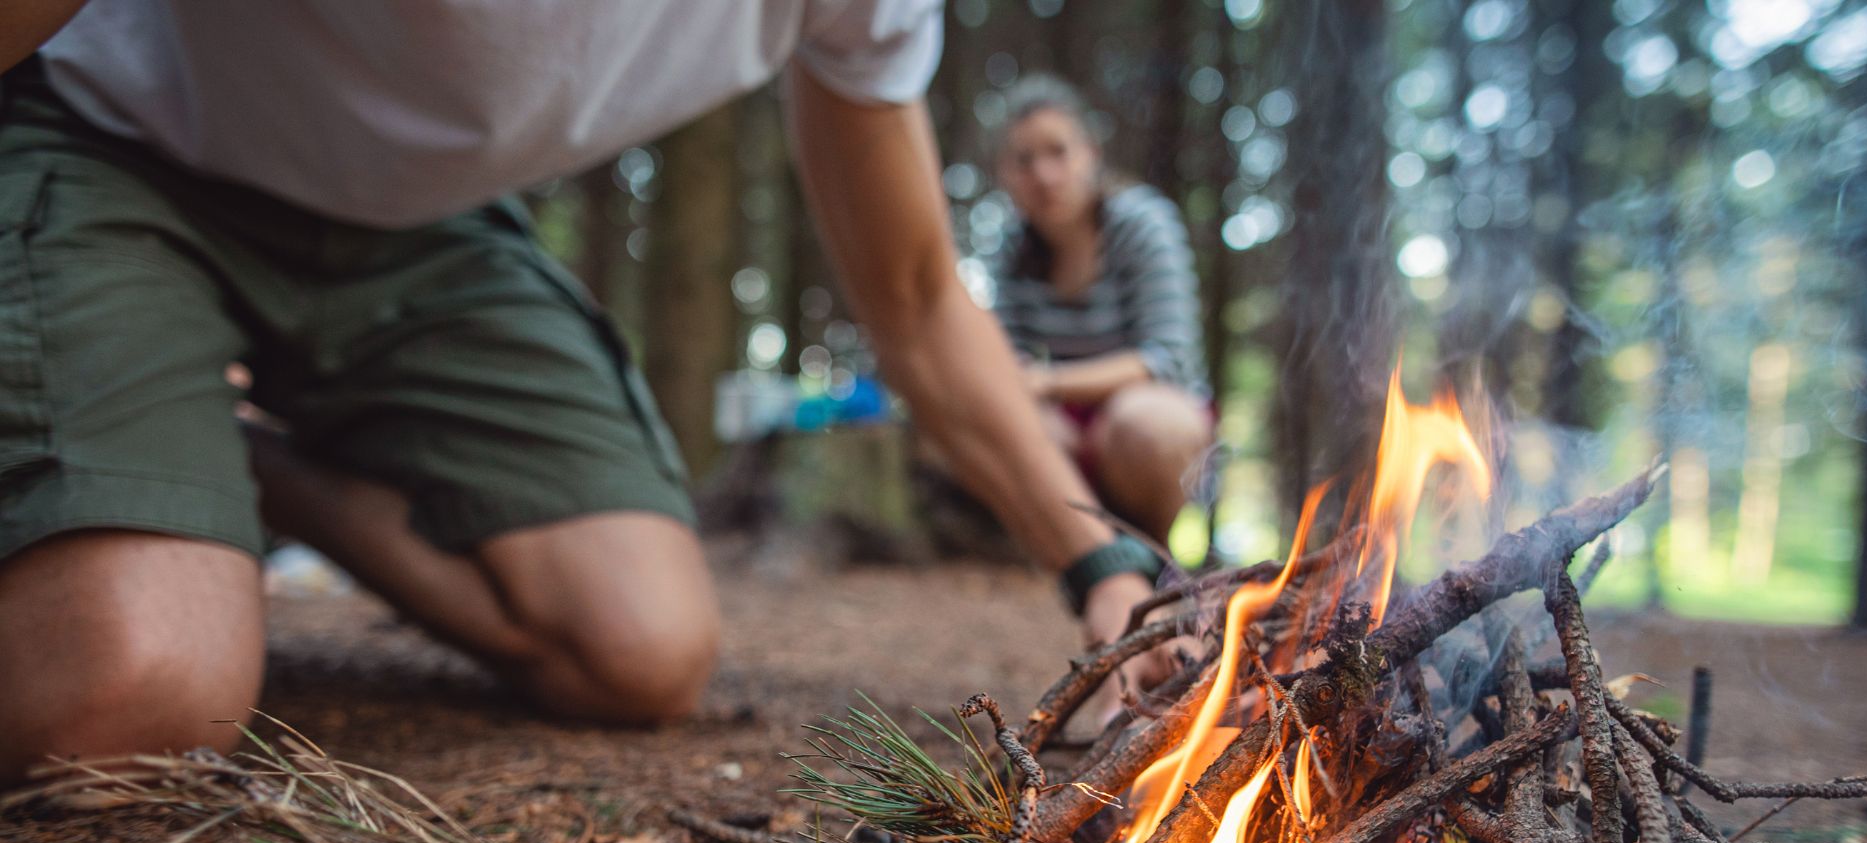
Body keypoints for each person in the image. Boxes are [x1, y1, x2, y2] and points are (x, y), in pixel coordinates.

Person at [0, 0, 1179, 791]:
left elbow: (918, 298)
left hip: (425, 229)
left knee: (641, 649)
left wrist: (1099, 564)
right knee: (125, 707)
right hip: (114, 141)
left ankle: (237, 449)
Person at [989, 74, 1215, 547]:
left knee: (1145, 426)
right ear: (1006, 175)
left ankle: (1154, 559)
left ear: (1090, 153)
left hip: (1149, 419)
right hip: (1068, 428)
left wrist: (1049, 383)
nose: (1043, 175)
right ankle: (1079, 559)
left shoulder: (1141, 224)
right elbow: (1008, 363)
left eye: (1058, 152)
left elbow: (1167, 361)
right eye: (1024, 161)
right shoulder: (1013, 249)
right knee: (1006, 427)